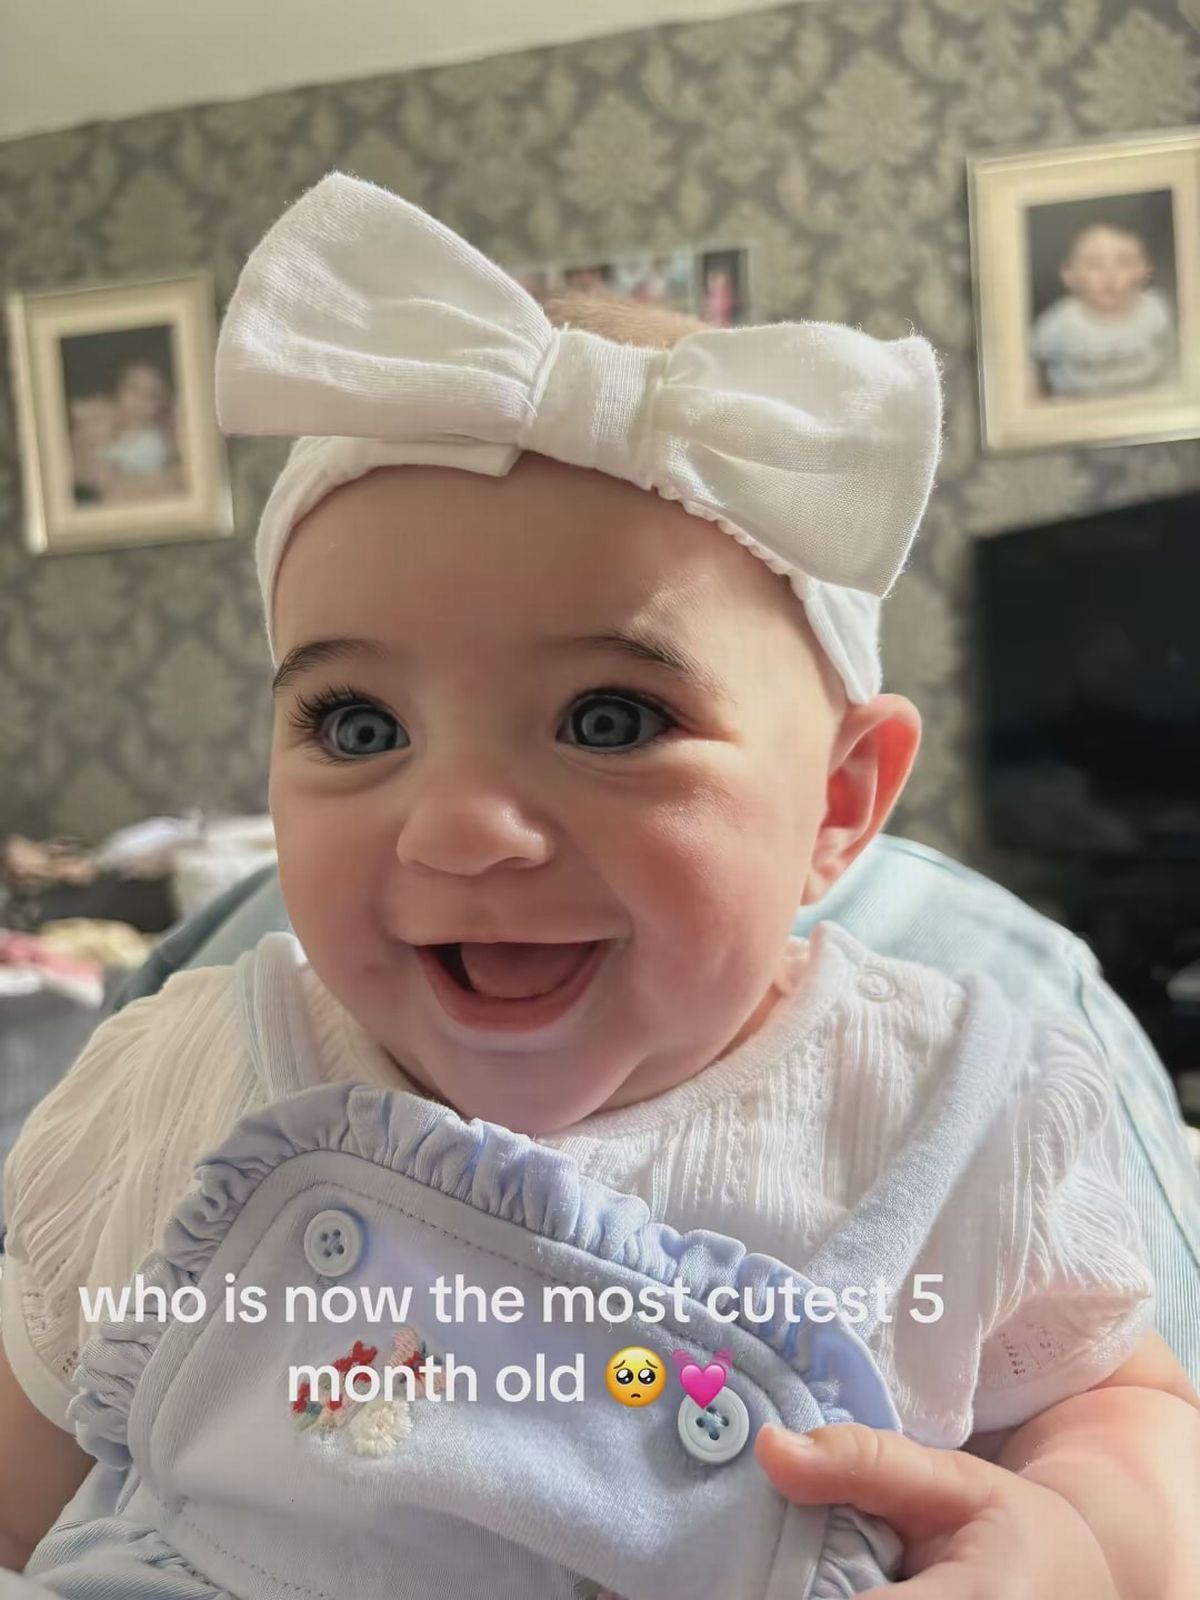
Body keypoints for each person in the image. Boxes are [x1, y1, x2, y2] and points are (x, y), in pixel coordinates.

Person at [0, 173, 1197, 1599]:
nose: (459, 832)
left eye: (611, 720)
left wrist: (1076, 1544)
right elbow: (26, 1491)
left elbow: (1125, 1419)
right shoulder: (181, 1087)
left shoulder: (956, 1112)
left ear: (837, 801)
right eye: (358, 727)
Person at [1030, 219, 1177, 399]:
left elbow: (1174, 364)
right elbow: (1029, 370)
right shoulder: (1056, 324)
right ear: (1068, 274)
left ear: (1144, 269)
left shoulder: (1156, 311)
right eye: (1094, 264)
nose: (1110, 275)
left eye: (1123, 262)